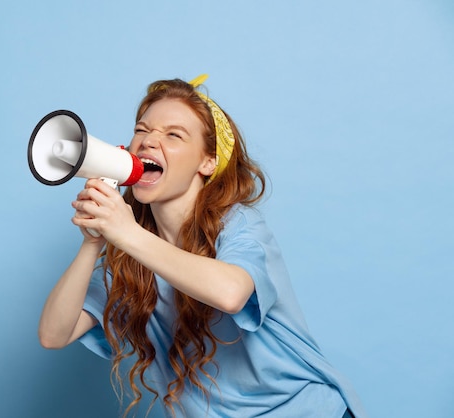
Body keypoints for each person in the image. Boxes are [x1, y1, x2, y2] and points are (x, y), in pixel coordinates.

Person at [38, 75, 367, 418]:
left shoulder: (237, 224)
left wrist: (126, 233)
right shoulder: (130, 254)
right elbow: (53, 334)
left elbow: (230, 293)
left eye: (173, 134)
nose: (149, 141)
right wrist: (93, 244)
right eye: (141, 129)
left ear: (207, 162)